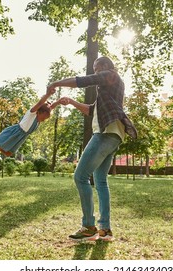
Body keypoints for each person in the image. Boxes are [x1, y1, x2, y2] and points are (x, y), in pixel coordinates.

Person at [47, 56, 137, 242]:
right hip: (114, 135)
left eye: (97, 67)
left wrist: (57, 82)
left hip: (105, 134)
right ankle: (105, 229)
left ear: (105, 67)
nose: (95, 70)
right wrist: (71, 102)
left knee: (80, 176)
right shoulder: (107, 91)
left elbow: (84, 81)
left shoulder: (111, 75)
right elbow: (91, 110)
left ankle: (89, 226)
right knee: (100, 180)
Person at [0, 91, 62, 157]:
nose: (43, 120)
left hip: (21, 137)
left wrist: (58, 102)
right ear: (39, 112)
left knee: (8, 153)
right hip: (15, 132)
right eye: (44, 118)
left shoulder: (38, 120)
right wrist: (48, 94)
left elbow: (50, 108)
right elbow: (40, 103)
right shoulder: (31, 114)